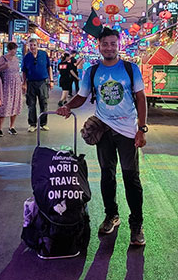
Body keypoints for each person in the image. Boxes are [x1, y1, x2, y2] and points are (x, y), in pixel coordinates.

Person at [57, 27, 148, 247]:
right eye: (105, 44)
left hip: (127, 130)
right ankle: (111, 216)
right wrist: (67, 107)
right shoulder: (91, 71)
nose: (109, 47)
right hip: (104, 129)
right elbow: (81, 96)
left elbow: (141, 98)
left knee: (130, 178)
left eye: (113, 44)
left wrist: (141, 129)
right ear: (99, 45)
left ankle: (136, 225)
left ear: (119, 45)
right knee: (107, 175)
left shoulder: (130, 68)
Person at [21, 38, 52, 132]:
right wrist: (24, 83)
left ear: (37, 45)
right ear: (28, 46)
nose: (32, 47)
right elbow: (24, 71)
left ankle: (43, 123)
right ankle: (32, 124)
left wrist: (51, 80)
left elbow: (49, 67)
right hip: (31, 83)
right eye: (30, 45)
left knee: (44, 103)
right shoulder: (26, 57)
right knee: (31, 104)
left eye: (34, 45)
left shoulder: (43, 54)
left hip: (43, 82)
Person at [0, 42, 22, 135]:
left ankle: (12, 126)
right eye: (12, 50)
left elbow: (18, 71)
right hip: (6, 85)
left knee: (15, 105)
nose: (14, 51)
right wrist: (4, 67)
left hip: (16, 84)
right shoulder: (2, 58)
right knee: (4, 105)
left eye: (15, 49)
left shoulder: (16, 59)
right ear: (9, 50)